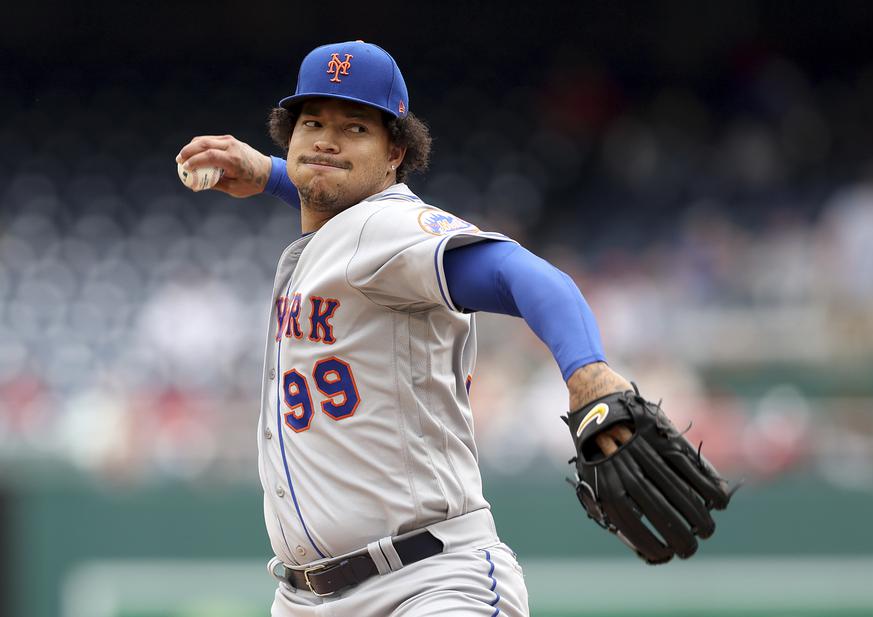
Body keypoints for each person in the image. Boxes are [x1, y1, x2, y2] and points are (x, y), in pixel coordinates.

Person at [176, 40, 710, 617]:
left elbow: (524, 275)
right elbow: (332, 197)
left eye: (356, 128)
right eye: (312, 123)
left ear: (395, 153)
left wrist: (587, 370)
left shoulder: (389, 225)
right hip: (306, 599)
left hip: (426, 587)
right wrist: (273, 174)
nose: (326, 140)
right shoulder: (341, 235)